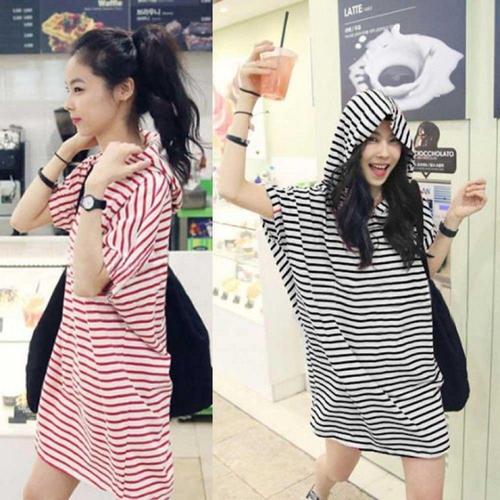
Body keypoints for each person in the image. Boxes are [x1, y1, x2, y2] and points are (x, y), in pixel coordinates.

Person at [217, 40, 487, 500]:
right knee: (339, 468)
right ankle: (318, 491)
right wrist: (246, 99)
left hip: (411, 373)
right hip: (348, 380)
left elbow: (423, 269)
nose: (384, 151)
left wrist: (452, 221)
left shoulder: (410, 200)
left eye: (393, 140)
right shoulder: (312, 206)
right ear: (350, 142)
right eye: (372, 138)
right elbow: (232, 188)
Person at [11, 25, 203, 500]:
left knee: (141, 492)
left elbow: (89, 281)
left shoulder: (146, 178)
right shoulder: (96, 164)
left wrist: (94, 194)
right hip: (77, 365)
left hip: (123, 379)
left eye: (79, 89)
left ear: (122, 90)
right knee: (38, 495)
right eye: (67, 90)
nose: (69, 103)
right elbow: (23, 218)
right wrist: (70, 150)